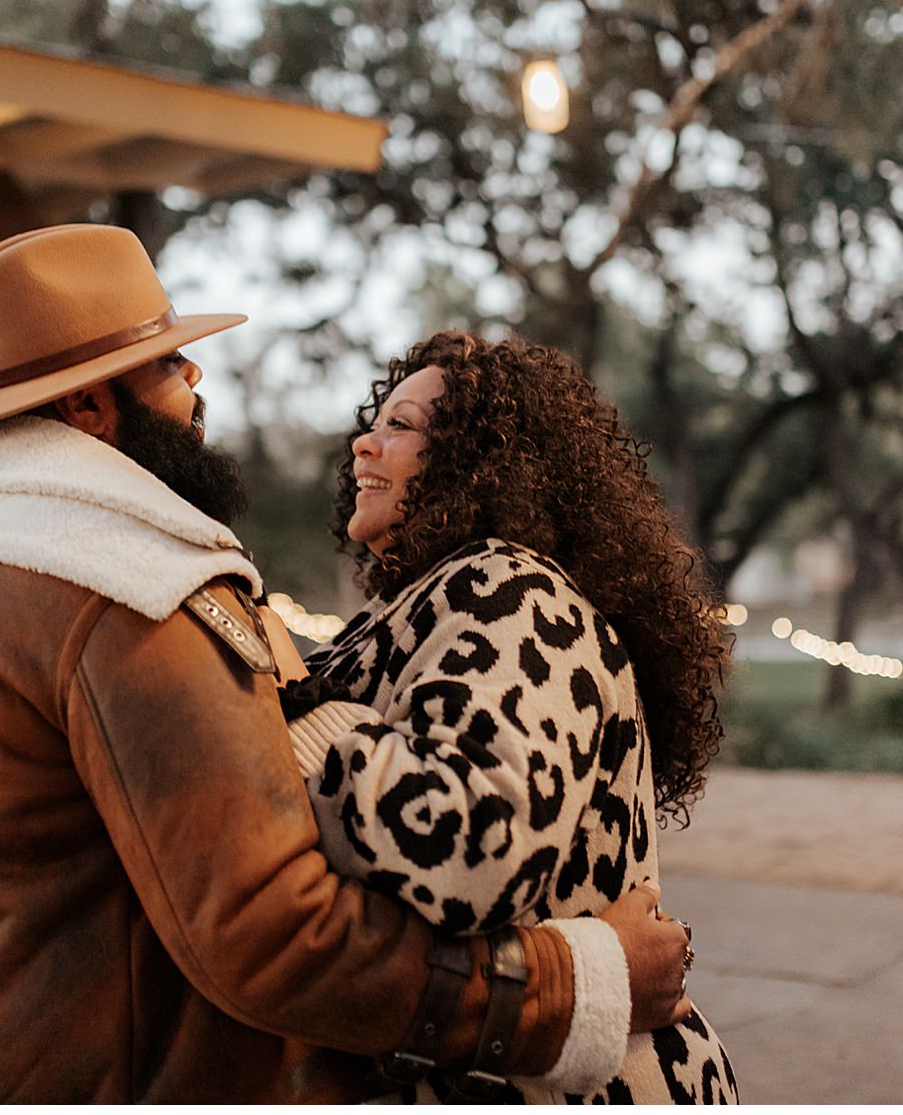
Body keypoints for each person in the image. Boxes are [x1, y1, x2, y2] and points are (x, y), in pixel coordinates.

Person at [0, 224, 693, 1102]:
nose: (195, 380)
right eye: (168, 368)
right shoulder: (122, 591)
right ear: (85, 409)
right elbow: (271, 931)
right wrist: (579, 985)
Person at [284, 331, 738, 1101]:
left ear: (479, 458)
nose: (363, 443)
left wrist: (293, 711)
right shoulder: (429, 602)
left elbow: (467, 850)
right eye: (375, 421)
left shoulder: (508, 589)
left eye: (399, 425)